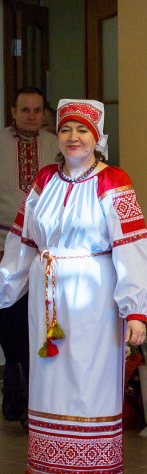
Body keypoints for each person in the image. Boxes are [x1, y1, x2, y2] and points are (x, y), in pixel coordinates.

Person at [0, 99, 147, 474]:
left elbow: (132, 245)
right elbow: (23, 239)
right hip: (47, 297)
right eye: (67, 129)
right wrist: (5, 288)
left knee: (89, 389)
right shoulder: (44, 180)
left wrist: (135, 310)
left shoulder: (113, 181)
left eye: (82, 131)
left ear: (97, 138)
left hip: (92, 297)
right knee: (49, 388)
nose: (73, 137)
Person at [0, 87, 59, 426]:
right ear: (13, 111)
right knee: (6, 317)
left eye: (37, 110)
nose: (31, 115)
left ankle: (29, 396)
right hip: (3, 242)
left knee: (33, 317)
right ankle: (15, 378)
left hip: (42, 250)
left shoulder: (56, 146)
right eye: (25, 109)